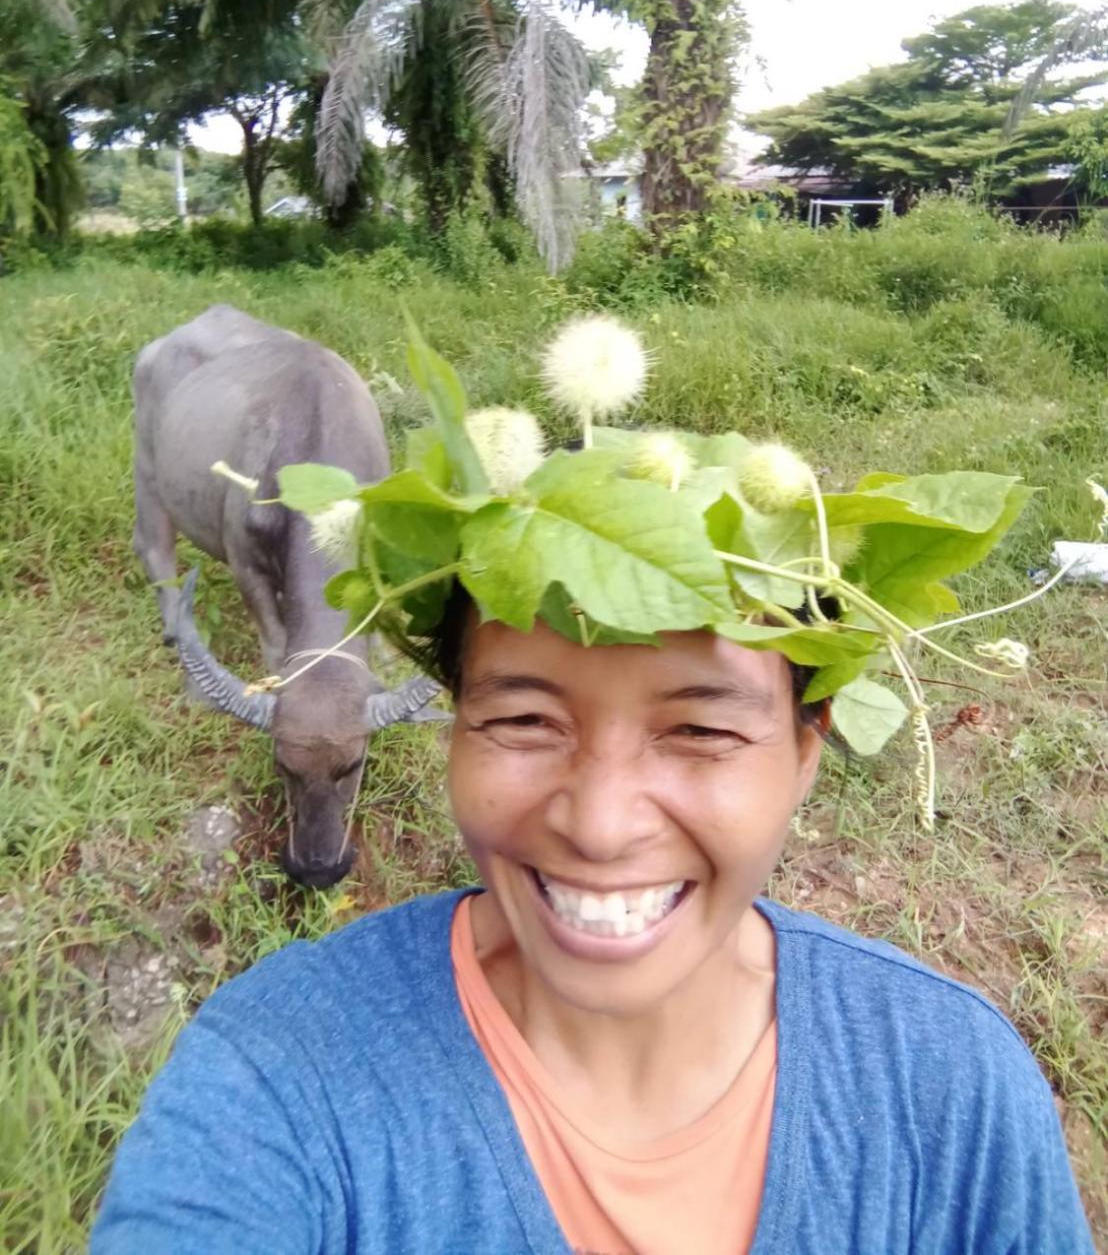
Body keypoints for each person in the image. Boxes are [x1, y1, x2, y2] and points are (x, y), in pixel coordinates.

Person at [93, 316, 1095, 1253]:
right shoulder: (275, 1076)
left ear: (805, 749)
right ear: (455, 725)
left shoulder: (958, 1099)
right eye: (523, 719)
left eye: (699, 727)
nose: (603, 827)